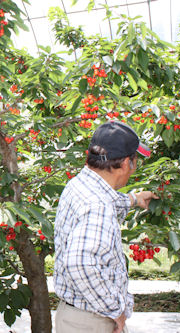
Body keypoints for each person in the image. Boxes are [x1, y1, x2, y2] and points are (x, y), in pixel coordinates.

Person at [53, 121, 159, 333]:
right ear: (126, 162)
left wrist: (134, 199)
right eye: (135, 161)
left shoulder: (80, 184)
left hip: (76, 316)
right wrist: (115, 311)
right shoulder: (98, 206)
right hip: (93, 321)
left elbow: (106, 201)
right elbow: (80, 265)